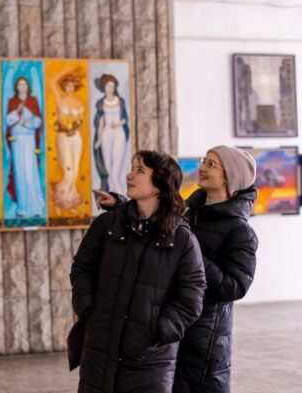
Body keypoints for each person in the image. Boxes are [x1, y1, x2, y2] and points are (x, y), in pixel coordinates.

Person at [95, 145, 259, 393]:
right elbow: (157, 218)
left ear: (230, 177)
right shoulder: (188, 212)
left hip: (203, 341)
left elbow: (234, 286)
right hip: (172, 324)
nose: (202, 168)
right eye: (204, 161)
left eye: (211, 164)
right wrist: (120, 204)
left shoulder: (241, 232)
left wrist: (191, 255)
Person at [71, 150, 206, 393]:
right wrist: (88, 309)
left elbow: (192, 295)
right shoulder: (106, 225)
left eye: (140, 170)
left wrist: (161, 330)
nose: (129, 175)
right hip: (99, 353)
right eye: (132, 168)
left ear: (160, 184)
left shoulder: (182, 239)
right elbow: (82, 268)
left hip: (150, 361)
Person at [5, 76, 45, 218]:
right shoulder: (13, 101)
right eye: (20, 85)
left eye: (24, 85)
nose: (22, 87)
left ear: (28, 87)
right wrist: (17, 111)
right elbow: (8, 121)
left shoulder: (33, 101)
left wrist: (27, 122)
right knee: (19, 172)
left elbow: (38, 122)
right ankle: (22, 207)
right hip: (16, 140)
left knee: (30, 171)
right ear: (16, 87)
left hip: (29, 139)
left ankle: (35, 207)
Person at [51, 66, 86, 210]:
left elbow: (80, 120)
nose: (69, 88)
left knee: (75, 170)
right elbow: (52, 82)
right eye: (67, 85)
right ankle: (61, 196)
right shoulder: (60, 99)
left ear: (75, 87)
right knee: (68, 171)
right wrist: (66, 70)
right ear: (63, 86)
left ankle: (70, 198)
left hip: (76, 137)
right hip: (63, 136)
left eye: (72, 85)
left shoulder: (79, 102)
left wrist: (75, 125)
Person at [92, 74, 129, 195]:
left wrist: (118, 124)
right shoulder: (100, 103)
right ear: (104, 87)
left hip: (118, 133)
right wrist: (98, 139)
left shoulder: (120, 101)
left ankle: (121, 197)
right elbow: (101, 122)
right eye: (108, 86)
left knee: (115, 172)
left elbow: (125, 119)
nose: (110, 89)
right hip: (106, 135)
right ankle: (114, 196)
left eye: (112, 86)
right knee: (108, 168)